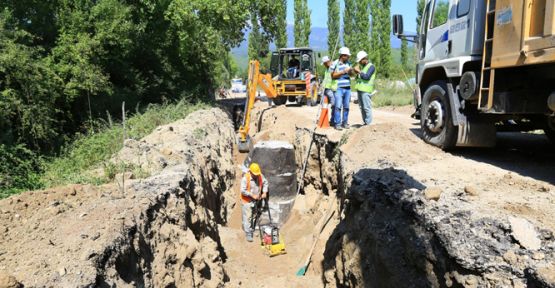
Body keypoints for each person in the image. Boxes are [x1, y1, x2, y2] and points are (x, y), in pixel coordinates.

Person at [240, 162, 269, 242]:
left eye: (257, 174)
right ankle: (248, 233)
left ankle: (252, 229)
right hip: (247, 201)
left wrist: (264, 192)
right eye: (255, 174)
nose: (256, 175)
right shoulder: (246, 178)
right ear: (251, 172)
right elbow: (242, 190)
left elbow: (265, 183)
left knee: (254, 215)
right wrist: (252, 195)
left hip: (256, 200)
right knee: (248, 217)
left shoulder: (260, 176)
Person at [330, 47, 354, 130]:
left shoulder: (349, 63)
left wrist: (350, 71)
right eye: (347, 56)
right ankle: (338, 124)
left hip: (347, 88)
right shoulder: (335, 63)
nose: (348, 57)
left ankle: (345, 122)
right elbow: (332, 76)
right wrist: (343, 72)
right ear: (342, 55)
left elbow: (351, 75)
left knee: (346, 106)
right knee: (338, 106)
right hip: (339, 88)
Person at [354, 51, 377, 125]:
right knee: (361, 107)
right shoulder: (363, 67)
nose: (360, 62)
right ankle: (365, 122)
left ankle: (368, 124)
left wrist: (359, 71)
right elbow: (359, 78)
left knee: (366, 108)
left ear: (364, 59)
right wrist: (357, 73)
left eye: (360, 61)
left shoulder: (371, 66)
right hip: (360, 90)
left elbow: (367, 77)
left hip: (366, 91)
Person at [321, 56, 336, 125]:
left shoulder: (332, 68)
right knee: (323, 104)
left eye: (324, 63)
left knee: (334, 104)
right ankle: (323, 119)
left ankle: (333, 120)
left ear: (327, 62)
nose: (323, 65)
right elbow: (325, 79)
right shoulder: (326, 69)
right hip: (325, 89)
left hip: (330, 89)